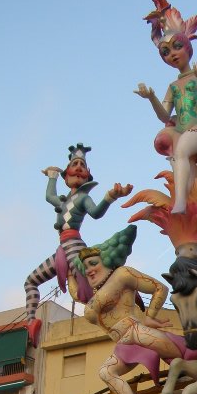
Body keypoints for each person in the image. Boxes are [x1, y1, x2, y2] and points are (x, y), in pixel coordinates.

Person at [68, 238, 197, 394]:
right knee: (105, 372)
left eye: (93, 263)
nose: (89, 270)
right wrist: (68, 273)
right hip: (122, 344)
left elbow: (159, 288)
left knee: (171, 351)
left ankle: (193, 372)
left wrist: (150, 316)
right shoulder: (92, 296)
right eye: (85, 267)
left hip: (136, 332)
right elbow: (75, 294)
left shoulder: (121, 275)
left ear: (106, 260)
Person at [23, 143, 132, 346]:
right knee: (31, 281)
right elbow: (49, 196)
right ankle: (30, 321)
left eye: (82, 164)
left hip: (74, 246)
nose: (79, 167)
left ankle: (117, 313)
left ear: (87, 175)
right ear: (67, 174)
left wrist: (110, 197)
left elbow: (97, 213)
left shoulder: (83, 198)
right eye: (75, 164)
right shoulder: (63, 201)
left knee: (92, 283)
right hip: (62, 250)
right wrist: (52, 175)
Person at [135, 0, 197, 215]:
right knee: (180, 160)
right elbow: (163, 115)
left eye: (176, 47)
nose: (172, 55)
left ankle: (180, 204)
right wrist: (151, 98)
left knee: (183, 152)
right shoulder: (173, 86)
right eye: (165, 52)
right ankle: (185, 201)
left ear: (187, 47)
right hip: (179, 130)